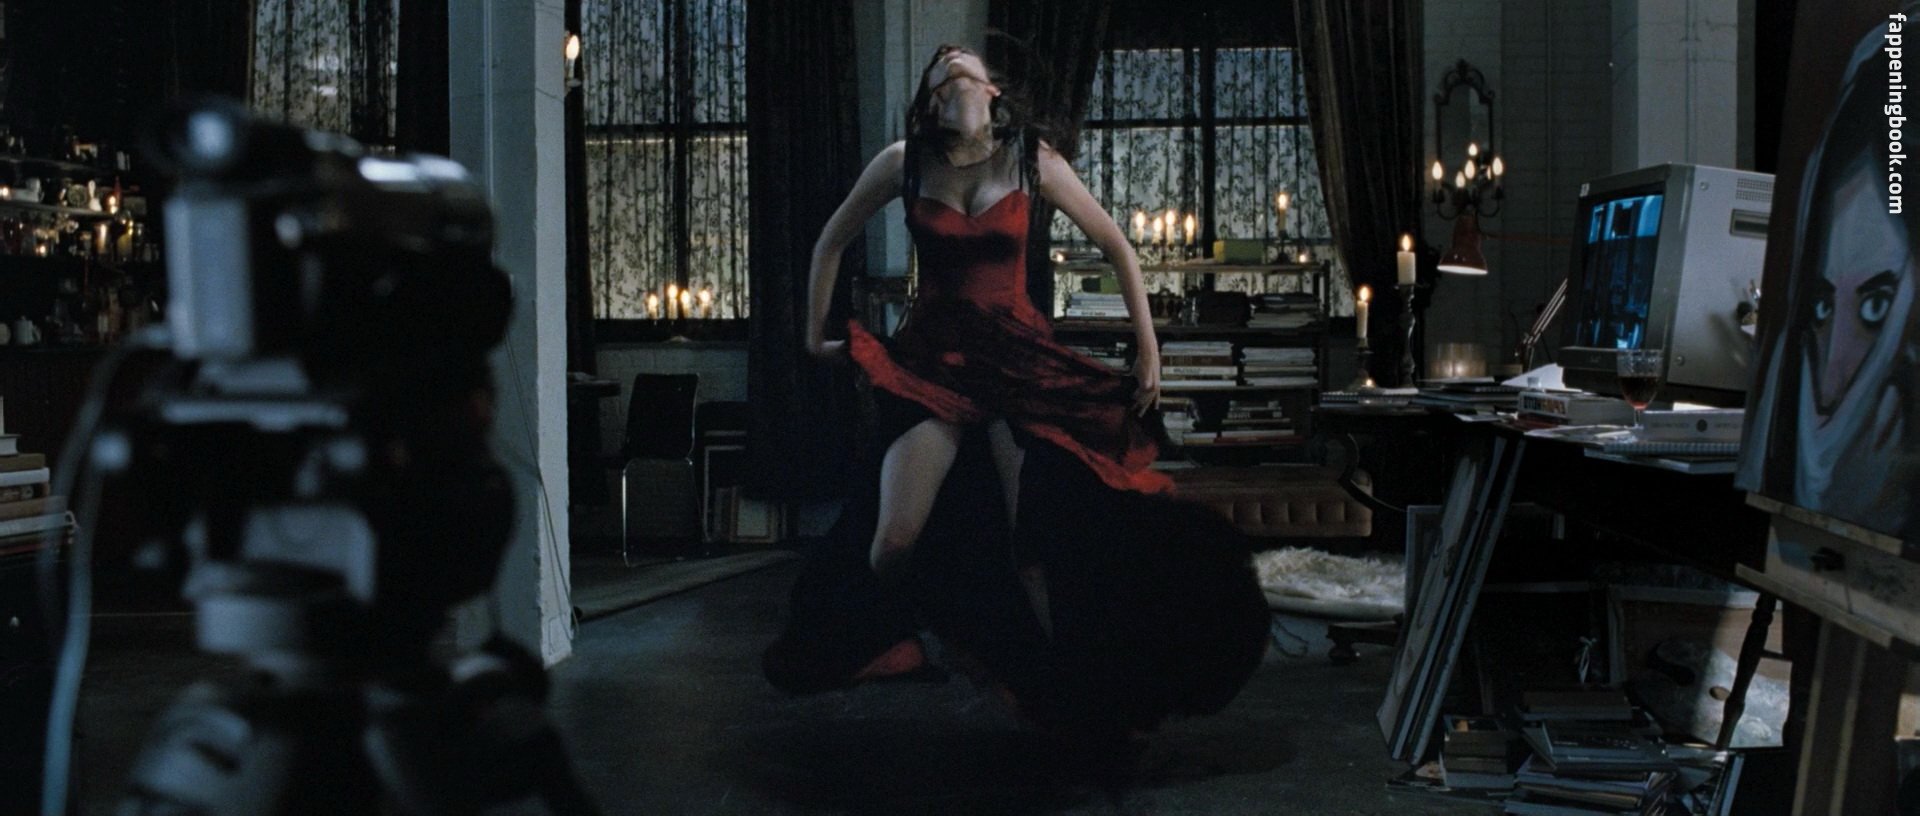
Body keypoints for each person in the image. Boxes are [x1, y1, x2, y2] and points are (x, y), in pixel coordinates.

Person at [764, 44, 1269, 739]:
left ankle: (1049, 684)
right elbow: (830, 241)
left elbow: (1117, 246)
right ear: (931, 99)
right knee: (891, 545)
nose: (951, 65)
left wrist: (1149, 348)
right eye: (940, 71)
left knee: (1027, 542)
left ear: (993, 91)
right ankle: (913, 641)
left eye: (962, 63)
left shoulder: (1033, 160)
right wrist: (812, 336)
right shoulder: (904, 161)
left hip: (1016, 361)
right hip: (933, 362)